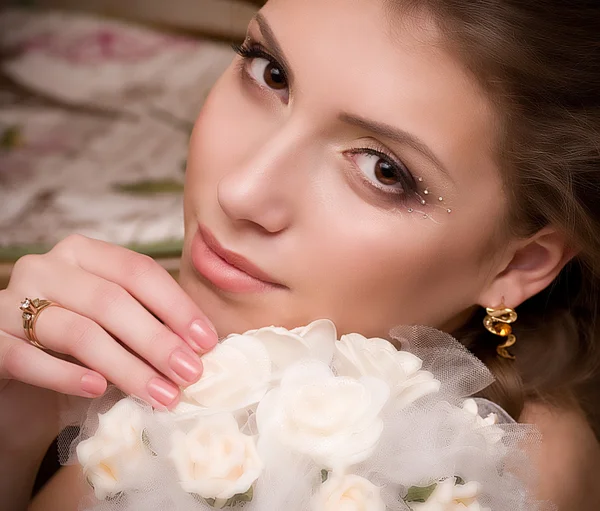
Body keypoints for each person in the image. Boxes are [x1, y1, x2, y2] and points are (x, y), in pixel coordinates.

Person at [1, 0, 599, 509]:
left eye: (381, 169)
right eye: (271, 74)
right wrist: (13, 433)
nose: (241, 191)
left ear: (518, 265)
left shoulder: (508, 470)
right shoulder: (90, 330)